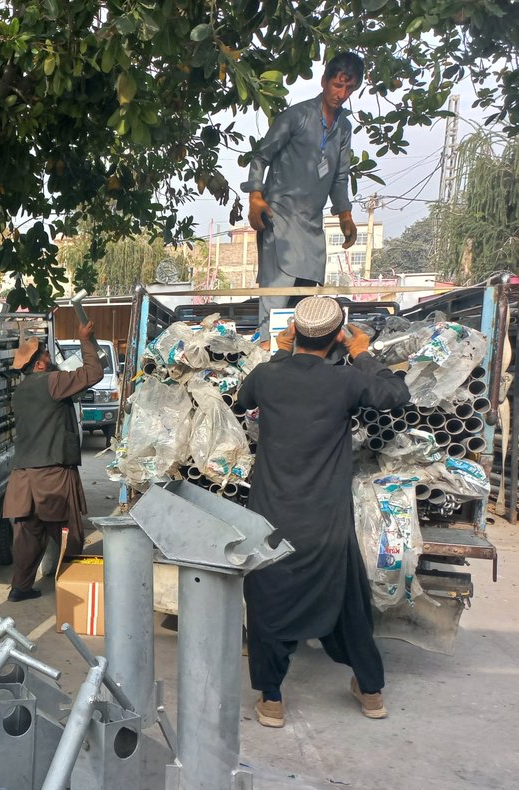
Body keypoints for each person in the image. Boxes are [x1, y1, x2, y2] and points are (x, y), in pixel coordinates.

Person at [236, 295, 410, 728]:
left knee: (268, 603)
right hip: (328, 518)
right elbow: (395, 395)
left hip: (273, 517)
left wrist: (280, 350)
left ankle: (272, 700)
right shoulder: (346, 382)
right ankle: (371, 693)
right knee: (347, 604)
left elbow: (242, 400)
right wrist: (362, 352)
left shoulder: (266, 376)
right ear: (337, 337)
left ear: (294, 331)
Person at [243, 51, 365, 343]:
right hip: (280, 221)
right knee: (274, 303)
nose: (342, 93)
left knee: (308, 308)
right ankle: (266, 359)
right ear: (324, 82)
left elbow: (339, 176)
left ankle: (303, 366)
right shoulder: (295, 116)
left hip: (312, 228)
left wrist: (345, 214)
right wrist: (255, 197)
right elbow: (261, 157)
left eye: (349, 88)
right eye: (338, 85)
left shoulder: (343, 128)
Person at [3, 320, 103, 602]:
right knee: (68, 533)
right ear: (38, 365)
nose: (51, 358)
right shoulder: (52, 382)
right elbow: (93, 373)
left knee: (27, 536)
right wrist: (86, 340)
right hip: (52, 476)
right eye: (46, 355)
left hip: (23, 477)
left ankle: (19, 587)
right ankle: (77, 590)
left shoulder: (20, 392)